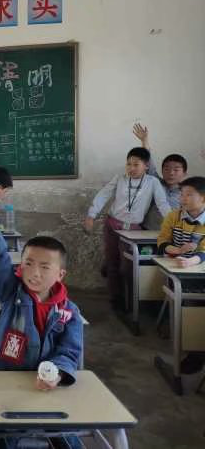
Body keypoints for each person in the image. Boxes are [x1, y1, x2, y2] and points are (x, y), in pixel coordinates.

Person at [0, 186, 83, 448]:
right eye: (28, 264)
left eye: (45, 267)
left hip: (47, 386)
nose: (35, 273)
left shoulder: (69, 312)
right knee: (4, 437)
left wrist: (57, 373)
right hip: (5, 383)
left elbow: (70, 351)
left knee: (64, 434)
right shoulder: (10, 293)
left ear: (60, 274)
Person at [85, 147, 170, 305]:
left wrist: (173, 223)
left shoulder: (153, 182)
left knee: (128, 266)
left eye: (136, 164)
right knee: (112, 261)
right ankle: (116, 297)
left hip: (133, 230)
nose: (131, 168)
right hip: (112, 224)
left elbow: (162, 204)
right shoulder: (120, 178)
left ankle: (130, 298)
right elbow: (104, 194)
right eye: (129, 164)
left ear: (146, 166)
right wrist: (91, 215)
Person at [158, 176, 205, 374]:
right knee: (192, 303)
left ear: (203, 198)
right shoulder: (174, 216)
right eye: (182, 194)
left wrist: (193, 260)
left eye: (189, 194)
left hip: (197, 268)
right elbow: (162, 241)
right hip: (177, 270)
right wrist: (176, 251)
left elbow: (204, 250)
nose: (183, 198)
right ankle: (195, 353)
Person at [133, 122, 188, 210]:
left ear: (184, 174)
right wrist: (144, 141)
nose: (171, 173)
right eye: (167, 169)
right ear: (162, 171)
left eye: (176, 170)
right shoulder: (156, 182)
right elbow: (149, 164)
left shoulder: (188, 193)